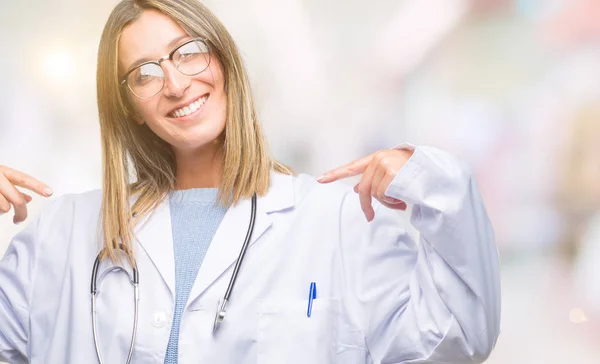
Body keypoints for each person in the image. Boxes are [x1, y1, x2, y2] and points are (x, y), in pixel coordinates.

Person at [0, 0, 500, 363]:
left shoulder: (334, 222)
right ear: (128, 107)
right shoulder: (61, 234)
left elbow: (453, 338)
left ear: (223, 60)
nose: (175, 84)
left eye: (187, 52)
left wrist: (431, 183)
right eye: (145, 73)